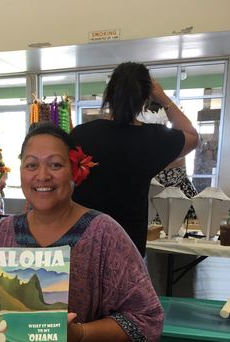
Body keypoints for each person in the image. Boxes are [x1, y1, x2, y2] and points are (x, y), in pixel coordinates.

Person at [0, 123, 164, 342]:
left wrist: (77, 333)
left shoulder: (103, 233)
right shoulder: (4, 231)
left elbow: (146, 319)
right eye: (31, 165)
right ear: (21, 172)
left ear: (75, 171)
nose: (42, 176)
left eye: (55, 164)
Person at [71, 62, 199, 257]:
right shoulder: (153, 139)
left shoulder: (81, 134)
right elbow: (192, 135)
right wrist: (163, 98)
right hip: (128, 243)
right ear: (146, 99)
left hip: (84, 237)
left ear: (108, 95)